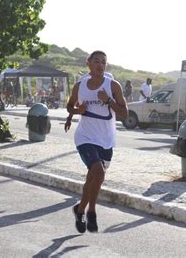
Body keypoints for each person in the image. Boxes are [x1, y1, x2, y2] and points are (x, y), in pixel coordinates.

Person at [66, 50, 128, 233]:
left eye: (103, 62)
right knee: (99, 174)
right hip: (85, 137)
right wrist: (78, 112)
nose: (100, 65)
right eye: (97, 61)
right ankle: (91, 212)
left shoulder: (113, 86)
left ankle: (79, 210)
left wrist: (108, 100)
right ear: (89, 63)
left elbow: (124, 114)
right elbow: (70, 105)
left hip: (106, 140)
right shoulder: (80, 86)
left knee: (91, 180)